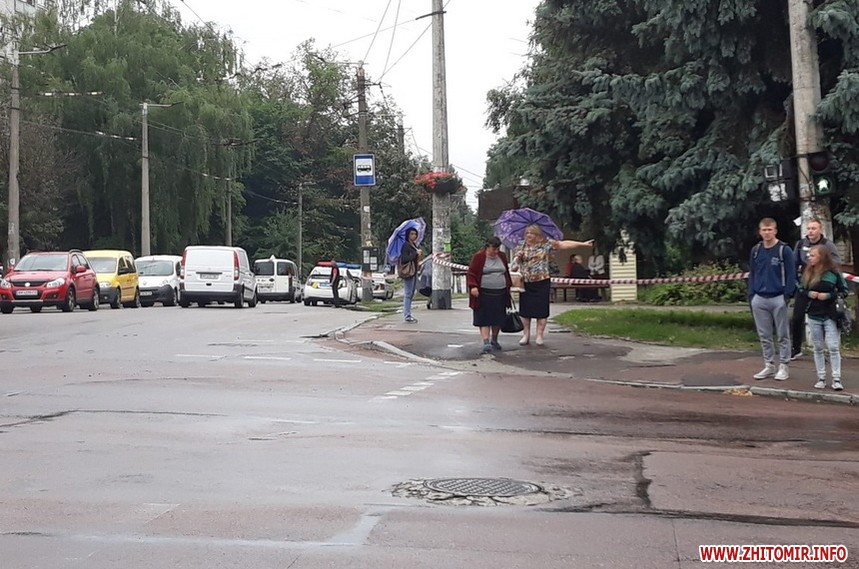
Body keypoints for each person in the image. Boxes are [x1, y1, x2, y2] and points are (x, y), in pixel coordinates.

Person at [512, 224, 594, 346]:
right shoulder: (521, 246)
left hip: (542, 281)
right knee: (525, 311)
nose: (528, 235)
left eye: (531, 233)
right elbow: (514, 267)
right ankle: (526, 335)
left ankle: (539, 336)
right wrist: (517, 258)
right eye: (526, 233)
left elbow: (563, 244)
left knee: (541, 310)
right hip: (526, 283)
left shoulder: (546, 244)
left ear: (537, 235)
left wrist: (582, 244)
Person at [748, 218, 796, 381]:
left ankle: (784, 365)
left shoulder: (784, 250)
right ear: (760, 232)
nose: (767, 233)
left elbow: (791, 273)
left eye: (770, 230)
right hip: (759, 297)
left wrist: (787, 295)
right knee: (764, 335)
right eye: (764, 230)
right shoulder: (756, 250)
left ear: (775, 231)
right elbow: (753, 273)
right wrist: (752, 294)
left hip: (778, 297)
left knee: (783, 334)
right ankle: (769, 364)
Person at [791, 218, 841, 360]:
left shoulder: (828, 245)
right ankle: (796, 348)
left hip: (822, 287)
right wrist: (795, 280)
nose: (811, 231)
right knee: (797, 317)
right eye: (809, 228)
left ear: (820, 230)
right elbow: (794, 263)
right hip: (805, 286)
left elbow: (836, 263)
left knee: (822, 319)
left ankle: (823, 350)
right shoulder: (801, 244)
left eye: (814, 228)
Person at [798, 245, 845, 391]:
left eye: (813, 255)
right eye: (809, 255)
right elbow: (801, 289)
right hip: (813, 314)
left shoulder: (833, 273)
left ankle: (836, 378)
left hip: (830, 314)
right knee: (818, 347)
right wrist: (808, 294)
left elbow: (843, 291)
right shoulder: (807, 272)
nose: (809, 258)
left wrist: (829, 295)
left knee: (833, 347)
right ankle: (821, 377)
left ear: (822, 257)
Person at [467, 236, 513, 354]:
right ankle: (486, 342)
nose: (496, 251)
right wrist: (473, 286)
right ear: (487, 247)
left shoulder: (502, 256)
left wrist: (509, 285)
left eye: (498, 249)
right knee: (484, 318)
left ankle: (494, 339)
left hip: (500, 293)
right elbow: (471, 273)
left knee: (498, 318)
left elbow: (506, 272)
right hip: (484, 293)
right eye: (494, 249)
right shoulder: (479, 257)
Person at [398, 227, 422, 323]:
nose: (414, 236)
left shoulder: (414, 245)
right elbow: (404, 258)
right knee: (408, 294)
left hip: (414, 271)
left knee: (411, 293)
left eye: (415, 234)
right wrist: (415, 253)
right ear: (408, 235)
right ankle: (407, 315)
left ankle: (408, 313)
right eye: (412, 234)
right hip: (408, 272)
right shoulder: (406, 245)